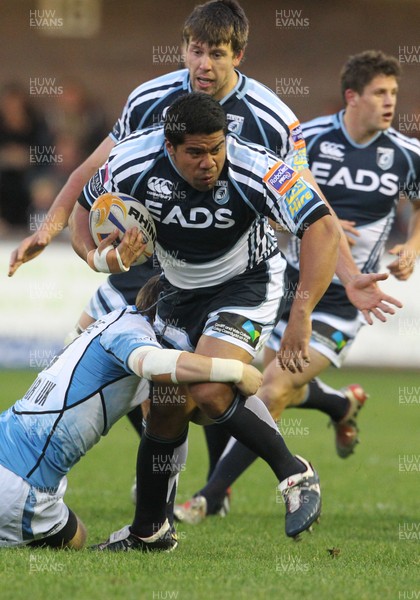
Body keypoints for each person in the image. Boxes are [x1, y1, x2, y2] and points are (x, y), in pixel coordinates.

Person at [70, 89, 342, 552]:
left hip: (248, 286)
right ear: (169, 147)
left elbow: (324, 227)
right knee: (167, 403)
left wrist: (302, 312)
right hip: (176, 291)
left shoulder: (260, 168)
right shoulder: (129, 164)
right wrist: (107, 261)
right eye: (195, 152)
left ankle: (295, 474)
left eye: (216, 149)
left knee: (211, 388)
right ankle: (150, 531)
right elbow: (81, 218)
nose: (209, 162)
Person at [172, 50, 420, 526]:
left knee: (274, 388)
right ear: (353, 96)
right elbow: (263, 203)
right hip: (280, 287)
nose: (391, 103)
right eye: (381, 93)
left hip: (342, 301)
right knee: (232, 380)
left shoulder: (406, 154)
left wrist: (410, 245)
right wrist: (312, 227)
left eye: (395, 93)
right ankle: (340, 402)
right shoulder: (307, 139)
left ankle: (208, 495)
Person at [0, 274, 262, 549]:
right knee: (77, 540)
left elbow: (169, 421)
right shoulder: (132, 336)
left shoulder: (116, 321)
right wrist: (234, 370)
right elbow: (152, 364)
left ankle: (156, 526)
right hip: (21, 486)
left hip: (9, 446)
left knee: (71, 529)